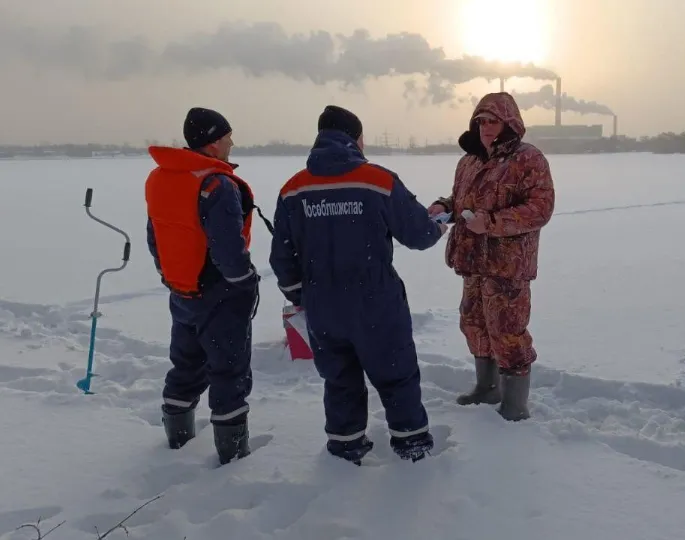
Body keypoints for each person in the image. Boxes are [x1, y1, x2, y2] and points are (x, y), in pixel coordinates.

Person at [269, 105, 447, 465]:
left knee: (339, 381)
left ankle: (345, 449)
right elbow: (418, 234)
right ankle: (412, 448)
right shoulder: (377, 180)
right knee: (396, 375)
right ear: (355, 138)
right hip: (375, 303)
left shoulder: (294, 189)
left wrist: (300, 296)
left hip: (322, 306)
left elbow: (281, 257)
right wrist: (439, 225)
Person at [427, 92, 555, 421]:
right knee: (473, 324)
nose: (485, 127)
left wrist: (494, 223)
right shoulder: (468, 161)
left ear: (509, 123)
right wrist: (444, 207)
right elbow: (460, 201)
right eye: (480, 121)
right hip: (472, 261)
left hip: (507, 264)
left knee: (508, 330)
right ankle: (487, 387)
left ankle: (515, 404)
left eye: (493, 121)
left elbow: (540, 208)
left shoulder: (529, 159)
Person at [145, 107, 261, 465]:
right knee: (229, 371)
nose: (231, 142)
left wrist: (171, 276)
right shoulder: (216, 185)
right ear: (212, 142)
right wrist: (245, 282)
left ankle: (177, 440)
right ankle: (233, 457)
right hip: (218, 292)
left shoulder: (160, 178)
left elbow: (155, 236)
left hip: (181, 289)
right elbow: (228, 247)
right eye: (227, 136)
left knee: (186, 364)